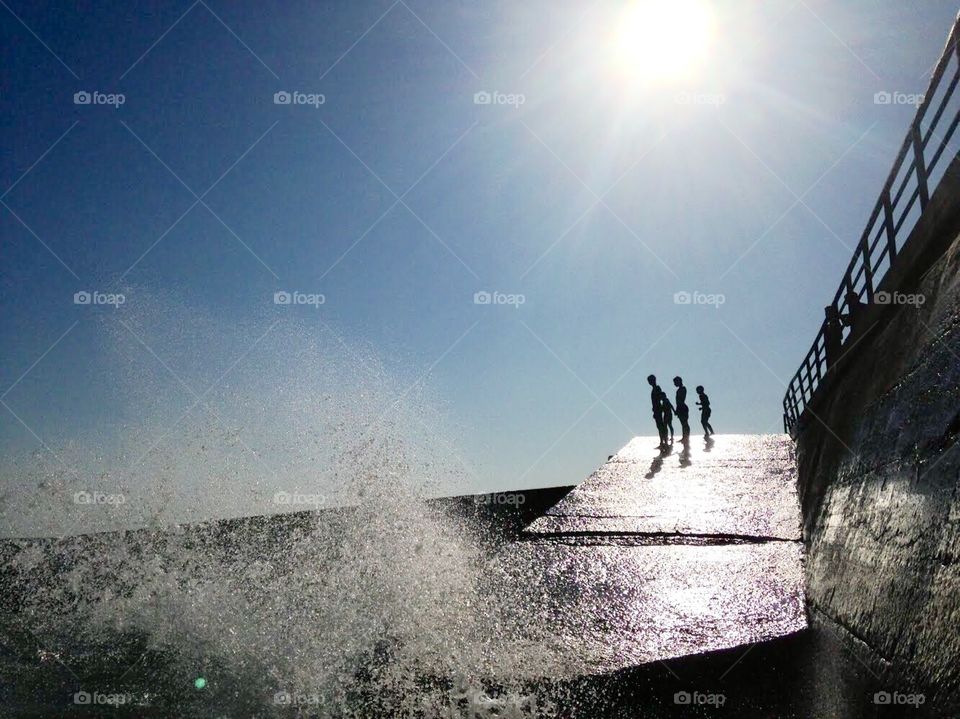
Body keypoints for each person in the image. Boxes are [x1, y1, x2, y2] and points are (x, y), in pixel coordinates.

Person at [647, 374, 668, 448]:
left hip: (658, 409)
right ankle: (662, 441)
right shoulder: (654, 389)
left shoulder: (657, 388)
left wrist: (661, 408)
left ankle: (664, 441)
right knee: (659, 426)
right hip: (656, 409)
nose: (649, 382)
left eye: (650, 381)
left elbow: (660, 398)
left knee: (660, 426)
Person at [673, 376, 690, 443]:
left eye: (675, 382)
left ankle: (686, 437)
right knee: (683, 424)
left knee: (685, 423)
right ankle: (684, 437)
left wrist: (678, 409)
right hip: (680, 408)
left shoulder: (683, 389)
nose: (674, 384)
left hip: (682, 408)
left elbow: (680, 400)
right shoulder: (679, 389)